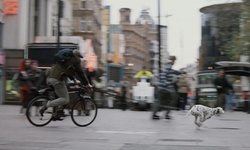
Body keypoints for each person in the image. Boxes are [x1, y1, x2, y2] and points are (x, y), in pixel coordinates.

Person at [39, 49, 93, 120]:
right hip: (57, 80)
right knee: (65, 99)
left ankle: (57, 113)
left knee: (62, 93)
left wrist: (74, 80)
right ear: (77, 56)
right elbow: (81, 73)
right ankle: (47, 105)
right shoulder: (75, 61)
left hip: (49, 78)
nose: (80, 59)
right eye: (79, 57)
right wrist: (87, 84)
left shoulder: (64, 60)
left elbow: (66, 71)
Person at [152, 56, 179, 120]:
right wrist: (169, 84)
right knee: (172, 99)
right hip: (164, 87)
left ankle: (159, 114)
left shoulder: (168, 67)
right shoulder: (167, 67)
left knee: (162, 101)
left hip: (163, 87)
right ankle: (164, 114)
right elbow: (163, 78)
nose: (174, 62)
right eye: (174, 61)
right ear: (171, 61)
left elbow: (173, 72)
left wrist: (181, 72)